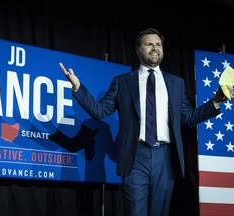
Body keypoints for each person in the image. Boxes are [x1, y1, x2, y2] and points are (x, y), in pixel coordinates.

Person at [58, 28, 234, 216]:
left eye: (158, 44)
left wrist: (215, 101)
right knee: (137, 211)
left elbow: (188, 118)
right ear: (138, 50)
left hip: (165, 157)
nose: (155, 48)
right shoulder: (122, 82)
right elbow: (100, 111)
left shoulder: (176, 83)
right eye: (149, 44)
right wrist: (78, 87)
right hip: (135, 156)